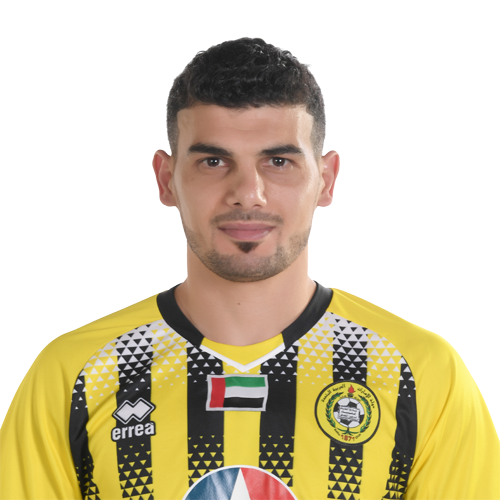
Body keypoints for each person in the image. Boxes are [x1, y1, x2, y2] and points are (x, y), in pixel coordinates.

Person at [1, 37, 498, 500]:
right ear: (166, 180)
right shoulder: (73, 376)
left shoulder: (421, 374)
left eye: (278, 162)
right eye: (213, 162)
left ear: (326, 180)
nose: (248, 194)